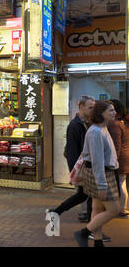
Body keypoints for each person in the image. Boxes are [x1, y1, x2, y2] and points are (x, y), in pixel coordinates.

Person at [48, 96, 98, 234]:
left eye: (94, 107)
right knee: (90, 196)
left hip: (87, 166)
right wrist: (74, 172)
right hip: (83, 167)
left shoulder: (88, 123)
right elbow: (72, 151)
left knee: (84, 195)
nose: (93, 110)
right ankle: (91, 229)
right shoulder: (75, 125)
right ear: (81, 107)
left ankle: (56, 212)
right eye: (90, 107)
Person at [74, 100, 120, 247]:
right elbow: (97, 160)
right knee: (114, 210)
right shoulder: (96, 132)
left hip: (103, 173)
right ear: (101, 113)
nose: (114, 113)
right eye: (111, 110)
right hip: (100, 174)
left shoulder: (102, 128)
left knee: (97, 208)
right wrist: (101, 185)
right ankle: (84, 233)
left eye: (114, 110)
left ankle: (98, 241)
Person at [107, 99, 129, 217]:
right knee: (121, 182)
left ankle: (123, 208)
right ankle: (123, 208)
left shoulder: (115, 125)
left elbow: (116, 146)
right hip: (124, 159)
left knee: (120, 183)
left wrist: (112, 162)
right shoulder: (122, 123)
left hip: (120, 160)